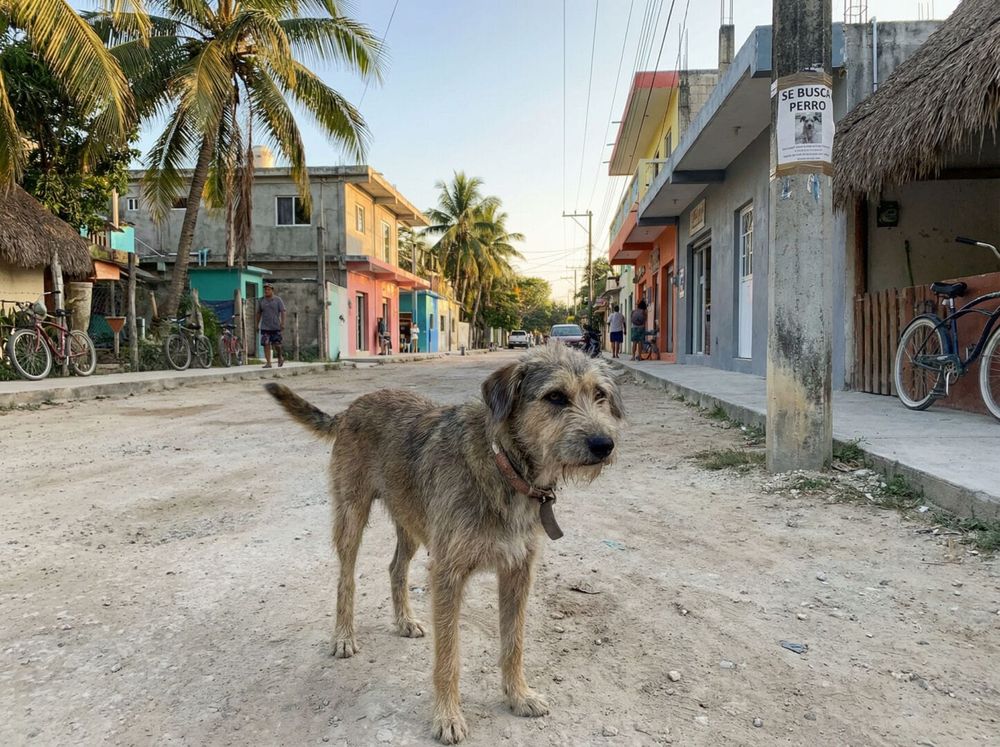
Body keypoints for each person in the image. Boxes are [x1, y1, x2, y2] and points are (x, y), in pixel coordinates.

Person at [256, 282, 286, 368]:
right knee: (266, 344)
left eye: (268, 289)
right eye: (265, 290)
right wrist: (257, 324)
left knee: (277, 344)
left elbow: (283, 311)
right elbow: (258, 313)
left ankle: (280, 356)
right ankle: (268, 362)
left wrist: (283, 323)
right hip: (265, 327)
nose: (266, 291)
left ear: (272, 290)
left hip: (276, 326)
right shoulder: (261, 300)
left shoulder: (278, 300)